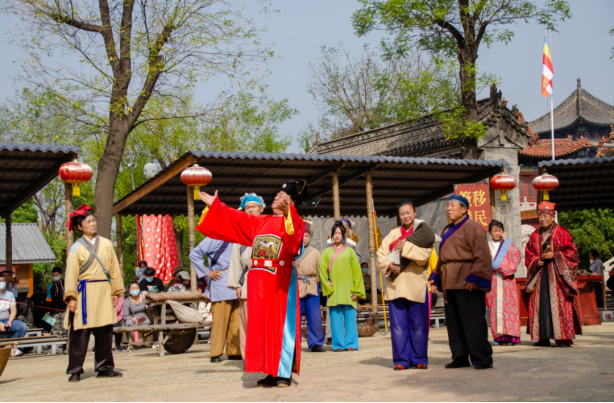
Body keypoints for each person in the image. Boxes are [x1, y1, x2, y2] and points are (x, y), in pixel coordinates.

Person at [197, 180, 307, 388]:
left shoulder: (295, 221)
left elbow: (294, 243)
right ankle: (270, 371)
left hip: (280, 282)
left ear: (292, 201)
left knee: (280, 327)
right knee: (262, 328)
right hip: (258, 284)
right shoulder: (261, 221)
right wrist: (216, 206)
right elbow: (237, 219)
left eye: (282, 195)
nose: (276, 197)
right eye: (276, 195)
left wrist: (289, 213)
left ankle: (283, 373)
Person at [429, 195, 494, 370]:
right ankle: (460, 356)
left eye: (452, 205)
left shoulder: (473, 227)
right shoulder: (447, 230)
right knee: (454, 322)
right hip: (450, 280)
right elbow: (443, 257)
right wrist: (435, 275)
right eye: (447, 206)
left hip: (467, 280)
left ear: (464, 209)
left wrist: (475, 276)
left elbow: (482, 255)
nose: (448, 208)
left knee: (473, 321)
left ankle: (482, 358)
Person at [63, 204, 124, 382]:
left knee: (105, 331)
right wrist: (72, 297)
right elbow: (71, 274)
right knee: (80, 333)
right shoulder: (76, 247)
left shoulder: (106, 243)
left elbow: (114, 269)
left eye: (94, 220)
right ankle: (75, 369)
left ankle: (104, 367)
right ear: (80, 227)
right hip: (84, 293)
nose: (93, 223)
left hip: (104, 291)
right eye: (89, 221)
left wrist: (115, 291)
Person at [377, 201, 436, 370]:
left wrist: (405, 247)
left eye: (408, 212)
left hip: (416, 284)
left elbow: (425, 255)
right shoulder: (393, 234)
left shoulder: (422, 233)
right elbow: (381, 254)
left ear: (415, 213)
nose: (405, 216)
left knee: (418, 325)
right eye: (402, 213)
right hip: (395, 286)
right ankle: (401, 361)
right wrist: (388, 265)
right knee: (397, 327)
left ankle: (419, 358)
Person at [525, 202, 582, 348]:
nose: (542, 219)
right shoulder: (534, 235)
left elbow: (573, 253)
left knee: (560, 306)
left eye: (545, 215)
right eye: (540, 216)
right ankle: (542, 337)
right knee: (540, 306)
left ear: (552, 216)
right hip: (540, 275)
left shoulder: (562, 232)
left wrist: (556, 255)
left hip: (558, 278)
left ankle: (562, 337)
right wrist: (536, 260)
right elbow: (528, 253)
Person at [190, 229, 241, 364]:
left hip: (239, 282)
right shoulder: (216, 237)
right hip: (222, 281)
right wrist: (207, 272)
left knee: (237, 320)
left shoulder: (241, 237)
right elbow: (194, 254)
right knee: (220, 320)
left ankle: (234, 351)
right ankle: (216, 353)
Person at [227, 193, 266, 360]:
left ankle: (266, 354)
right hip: (248, 278)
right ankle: (249, 357)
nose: (251, 210)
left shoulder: (268, 226)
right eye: (248, 207)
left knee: (265, 319)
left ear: (261, 208)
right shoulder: (240, 231)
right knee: (246, 321)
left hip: (266, 276)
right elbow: (235, 259)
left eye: (254, 207)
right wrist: (237, 284)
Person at [319, 222, 365, 353]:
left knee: (350, 317)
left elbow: (357, 272)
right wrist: (326, 282)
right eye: (335, 233)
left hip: (349, 289)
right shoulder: (326, 252)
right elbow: (322, 270)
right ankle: (338, 344)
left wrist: (357, 290)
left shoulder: (351, 252)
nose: (337, 235)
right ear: (332, 235)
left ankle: (351, 343)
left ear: (344, 235)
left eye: (339, 233)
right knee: (335, 317)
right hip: (334, 290)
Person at [485, 220, 522, 346]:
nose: (497, 233)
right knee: (495, 308)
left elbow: (516, 256)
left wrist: (501, 266)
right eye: (494, 230)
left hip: (507, 281)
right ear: (489, 232)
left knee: (509, 308)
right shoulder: (486, 246)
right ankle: (499, 336)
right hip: (494, 281)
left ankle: (512, 336)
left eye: (499, 230)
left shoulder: (507, 245)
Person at [297, 223, 325, 353]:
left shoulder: (315, 252)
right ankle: (294, 343)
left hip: (312, 286)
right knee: (295, 317)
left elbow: (320, 270)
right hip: (296, 285)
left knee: (314, 316)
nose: (304, 238)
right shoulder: (292, 252)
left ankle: (316, 343)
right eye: (301, 235)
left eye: (306, 235)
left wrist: (320, 285)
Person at [0, 279, 27, 356]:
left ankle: (14, 349)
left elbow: (13, 310)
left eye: (3, 281)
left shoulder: (10, 294)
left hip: (6, 319)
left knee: (22, 326)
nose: (1, 283)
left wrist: (10, 321)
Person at [46, 267, 68, 341]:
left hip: (65, 311)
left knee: (65, 328)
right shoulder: (51, 286)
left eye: (56, 275)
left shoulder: (66, 284)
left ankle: (66, 344)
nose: (55, 277)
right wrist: (48, 310)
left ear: (61, 274)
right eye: (53, 276)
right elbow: (49, 299)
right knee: (55, 329)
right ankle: (57, 345)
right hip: (54, 312)